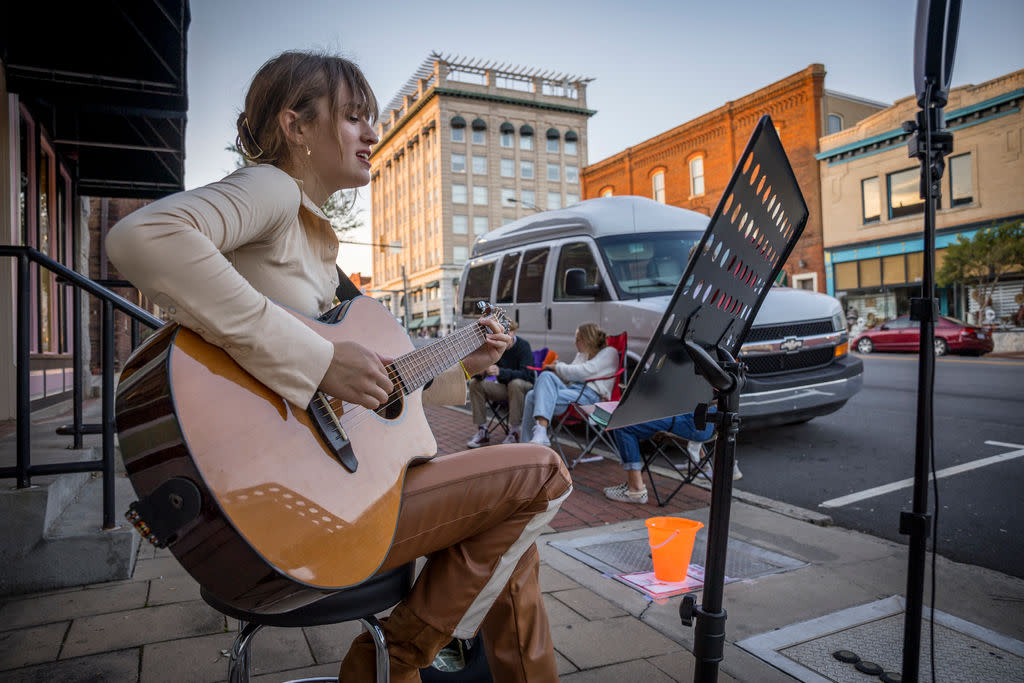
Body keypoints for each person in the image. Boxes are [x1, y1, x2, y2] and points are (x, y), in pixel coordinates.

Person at [105, 51, 571, 682]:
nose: (373, 134)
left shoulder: (319, 252)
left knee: (515, 541)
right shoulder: (271, 187)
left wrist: (467, 359)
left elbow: (382, 392)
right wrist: (319, 360)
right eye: (354, 118)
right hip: (283, 506)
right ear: (296, 126)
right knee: (542, 474)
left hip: (320, 494)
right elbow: (141, 238)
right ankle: (394, 663)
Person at [603, 410, 741, 505]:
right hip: (710, 421)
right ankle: (702, 462)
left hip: (691, 421)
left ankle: (635, 489)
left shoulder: (677, 366)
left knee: (622, 425)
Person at [521, 322, 619, 446]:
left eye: (578, 340)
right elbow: (571, 375)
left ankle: (537, 435)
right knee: (544, 378)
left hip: (590, 397)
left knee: (532, 396)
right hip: (571, 392)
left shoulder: (610, 352)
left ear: (588, 340)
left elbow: (584, 372)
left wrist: (558, 367)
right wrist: (558, 369)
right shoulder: (582, 354)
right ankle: (537, 435)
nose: (575, 343)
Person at [466, 320, 535, 446]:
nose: (502, 337)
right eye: (500, 333)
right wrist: (482, 372)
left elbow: (527, 375)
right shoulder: (496, 346)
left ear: (513, 332)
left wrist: (501, 372)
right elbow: (483, 370)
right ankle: (483, 432)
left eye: (506, 333)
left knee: (515, 384)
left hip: (525, 388)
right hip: (505, 388)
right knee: (475, 384)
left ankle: (514, 432)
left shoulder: (523, 346)